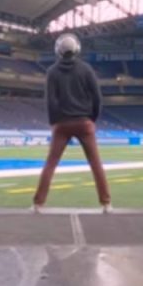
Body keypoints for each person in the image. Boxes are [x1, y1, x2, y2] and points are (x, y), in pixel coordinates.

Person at [33, 33, 112, 213]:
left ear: (58, 51)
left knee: (51, 164)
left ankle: (38, 203)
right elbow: (97, 98)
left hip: (62, 124)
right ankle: (106, 203)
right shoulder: (86, 69)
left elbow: (51, 101)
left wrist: (54, 122)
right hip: (84, 122)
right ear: (77, 49)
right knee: (95, 163)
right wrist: (91, 119)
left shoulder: (52, 72)